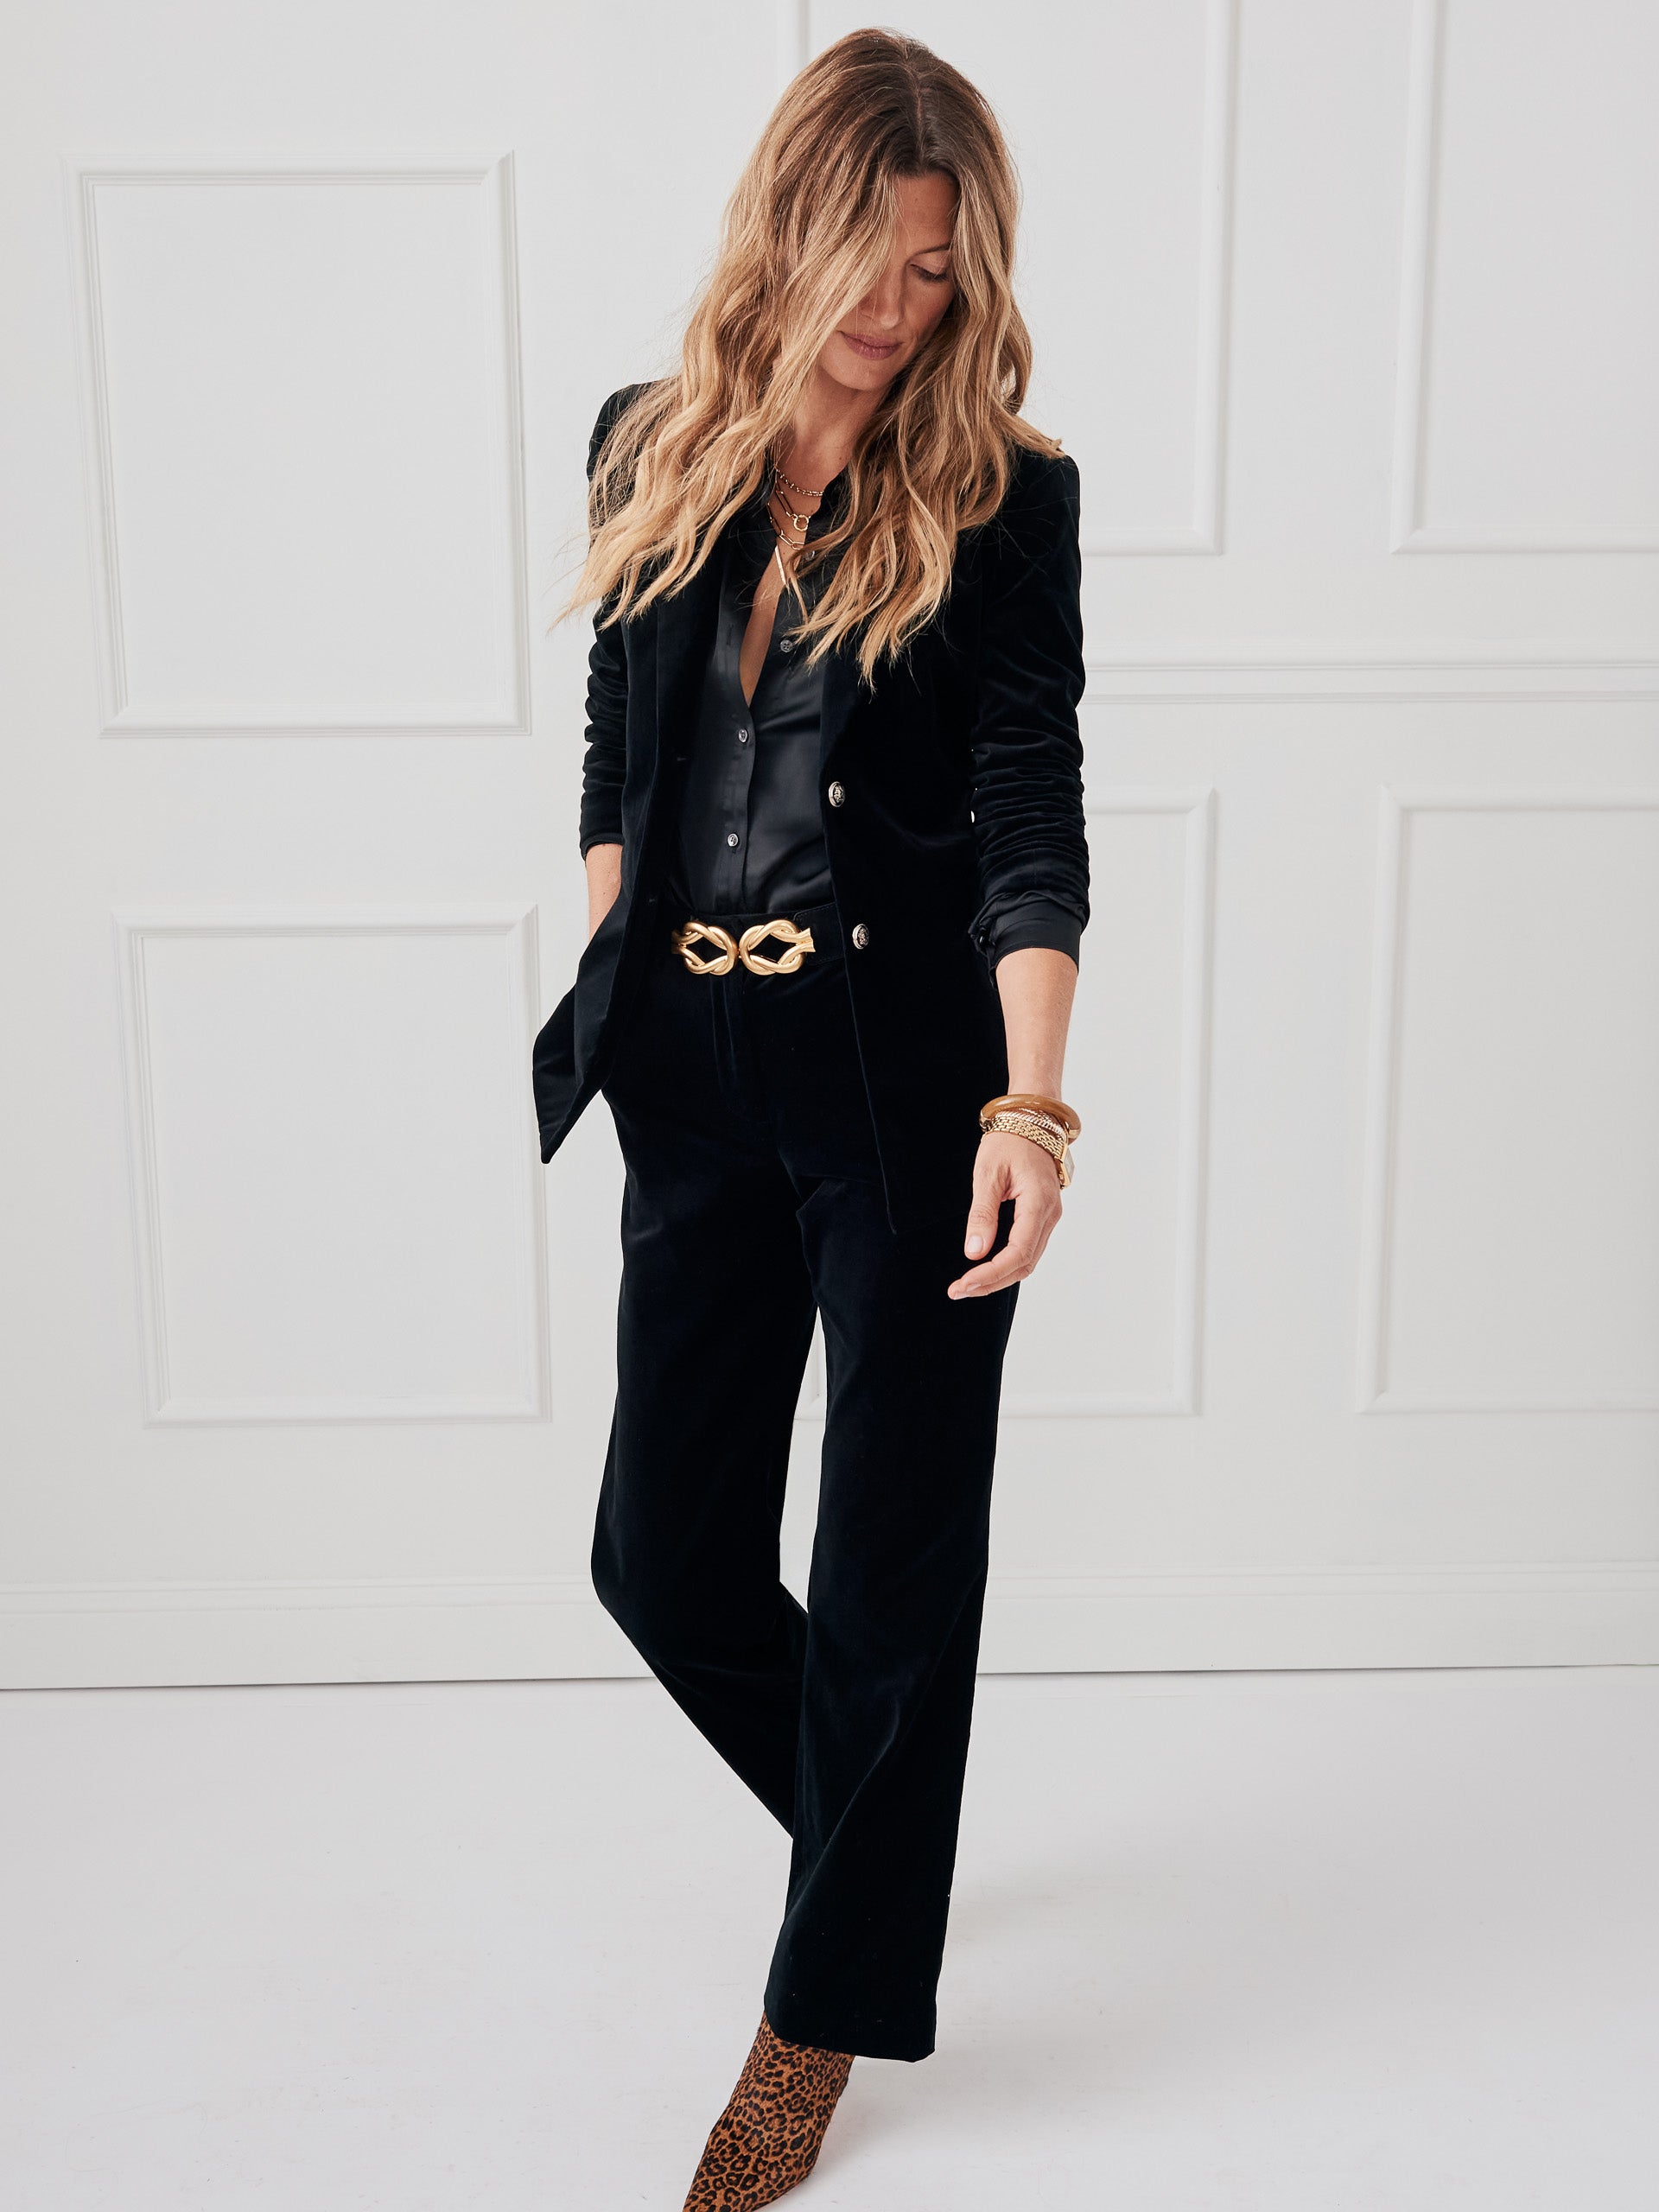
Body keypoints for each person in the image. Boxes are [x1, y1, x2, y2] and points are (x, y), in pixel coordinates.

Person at [533, 28, 1089, 2209]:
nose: (897, 304)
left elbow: (1030, 812)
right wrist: (616, 952)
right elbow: (615, 753)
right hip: (693, 1072)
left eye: (938, 270)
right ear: (790, 226)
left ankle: (815, 2016)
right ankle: (884, 1863)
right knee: (657, 1553)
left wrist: (1034, 1104)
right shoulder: (648, 440)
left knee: (887, 1571)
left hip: (908, 1090)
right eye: (871, 255)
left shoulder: (1003, 498)